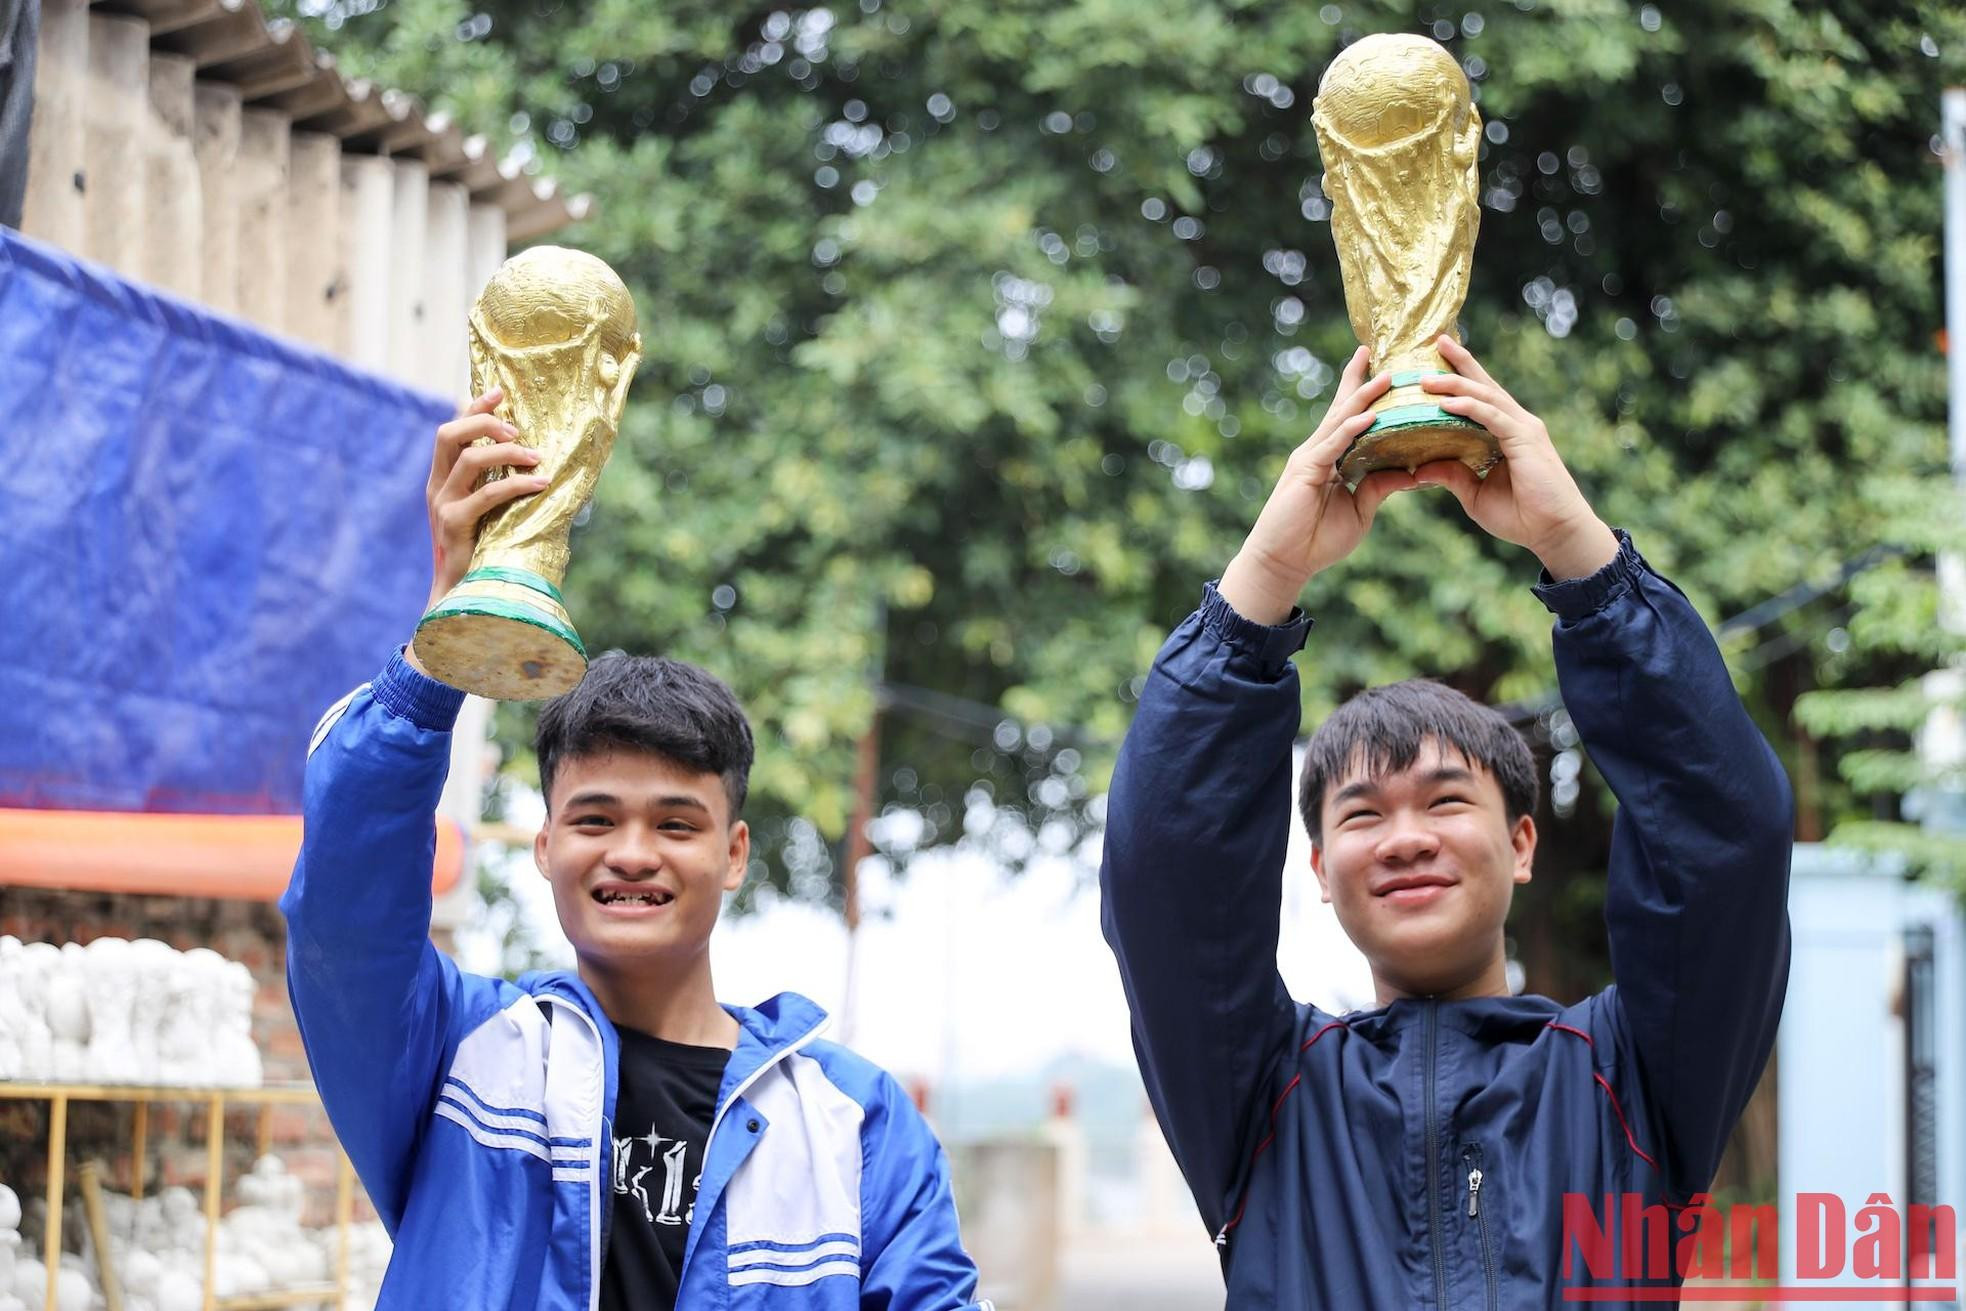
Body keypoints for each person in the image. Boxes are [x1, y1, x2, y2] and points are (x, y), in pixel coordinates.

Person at [1099, 337, 1793, 1307]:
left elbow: (1722, 837)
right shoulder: (1257, 1099)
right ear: (1317, 867)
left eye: (1445, 799)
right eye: (1362, 814)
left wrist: (1580, 555)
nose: (1405, 836)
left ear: (1521, 843)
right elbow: (1166, 876)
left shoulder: (1634, 1082)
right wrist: (1267, 572)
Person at [283, 391, 990, 1311]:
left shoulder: (854, 1122)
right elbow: (345, 904)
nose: (631, 852)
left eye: (675, 823)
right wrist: (448, 638)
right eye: (594, 817)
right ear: (542, 845)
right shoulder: (456, 1054)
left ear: (735, 853)